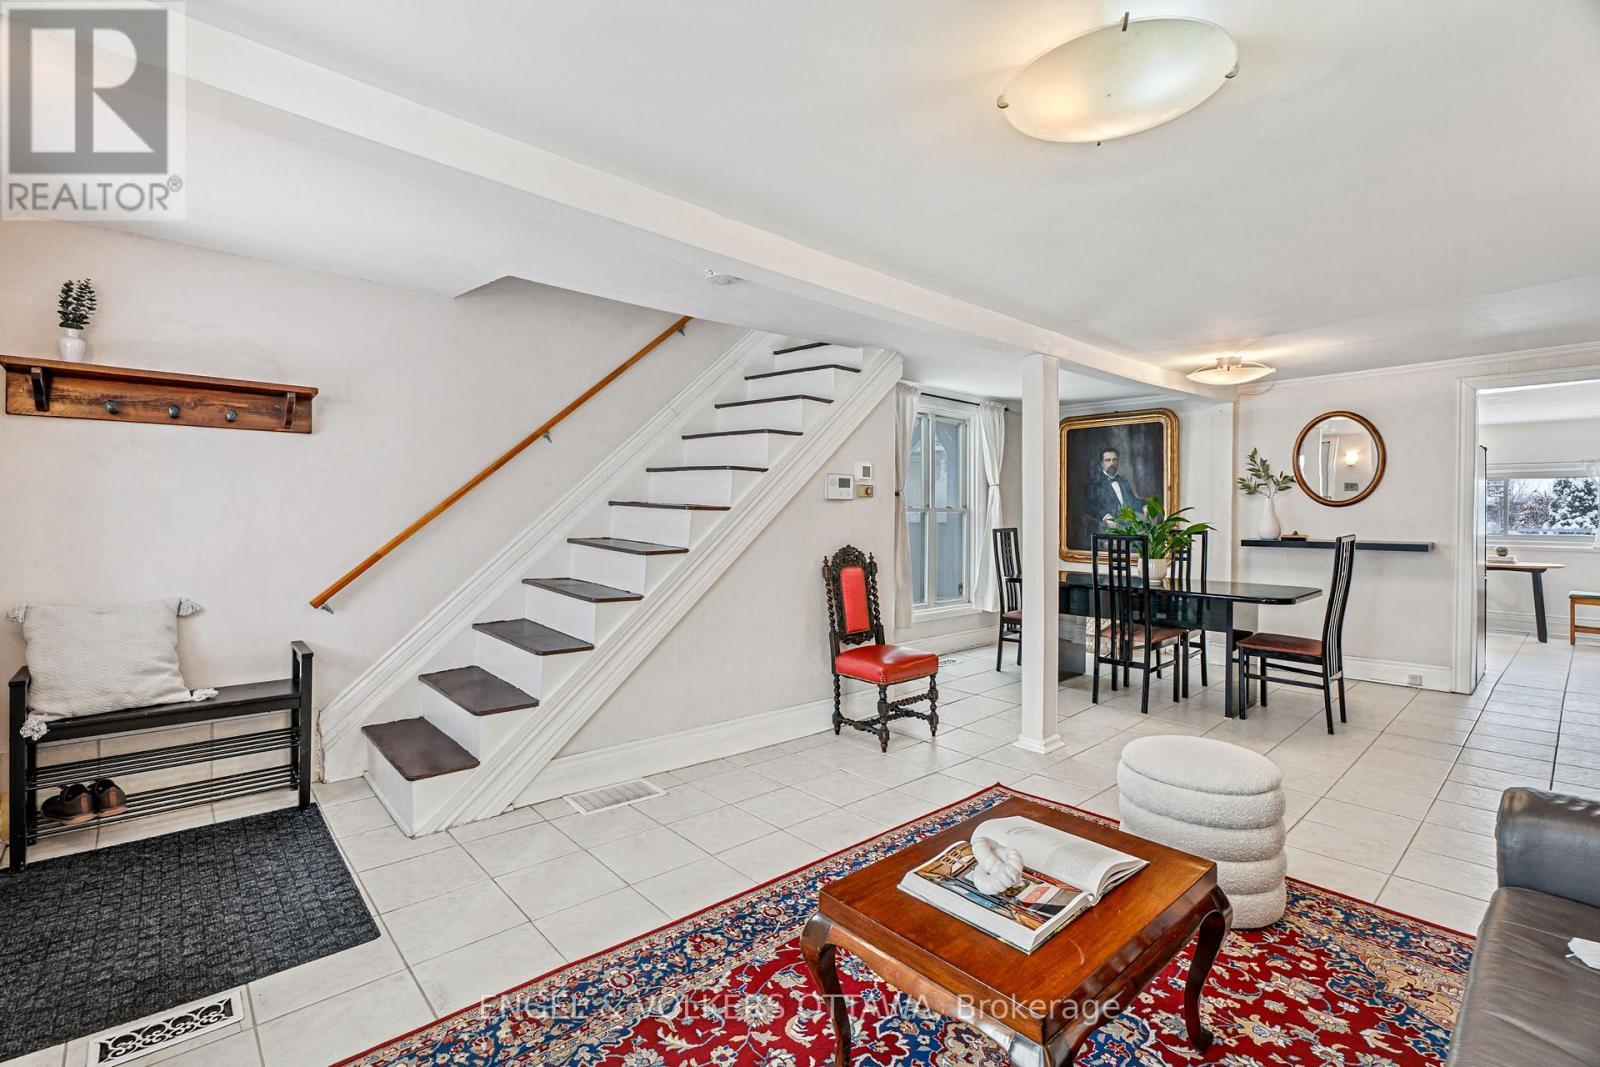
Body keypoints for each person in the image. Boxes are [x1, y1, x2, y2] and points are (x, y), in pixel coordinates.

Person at [1083, 447, 1139, 542]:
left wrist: (1145, 506)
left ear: (1118, 461)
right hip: (1105, 530)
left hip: (1127, 528)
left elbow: (1132, 501)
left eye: (1114, 460)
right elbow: (1088, 506)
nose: (1111, 463)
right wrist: (1105, 516)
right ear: (1102, 463)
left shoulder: (1123, 481)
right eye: (1107, 460)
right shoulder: (1095, 483)